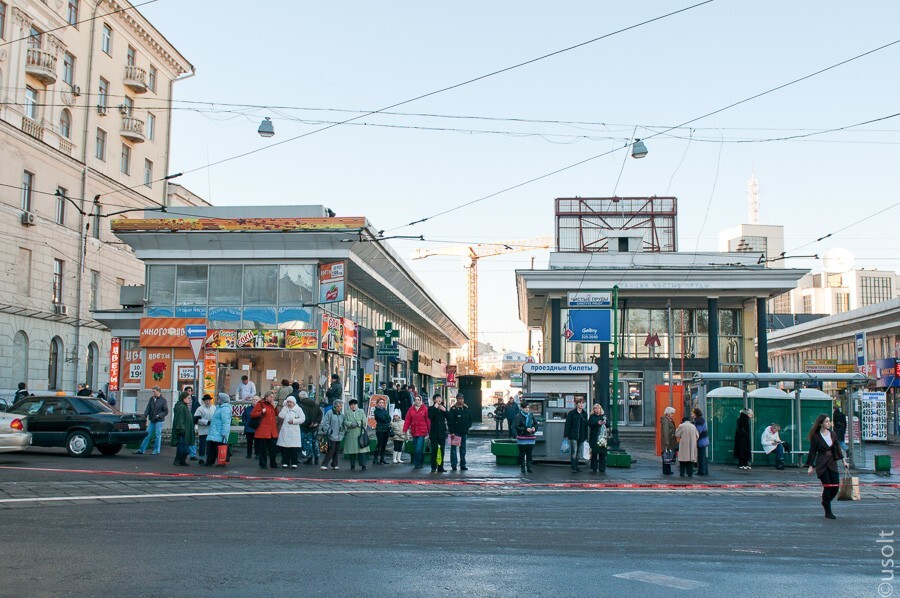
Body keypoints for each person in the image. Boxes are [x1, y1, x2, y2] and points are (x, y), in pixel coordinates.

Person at [805, 413, 848, 519]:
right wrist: (811, 465)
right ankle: (828, 511)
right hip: (822, 463)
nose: (829, 423)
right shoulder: (816, 436)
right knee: (827, 486)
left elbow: (837, 448)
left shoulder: (832, 434)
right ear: (821, 423)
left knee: (835, 487)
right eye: (827, 421)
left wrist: (843, 461)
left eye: (829, 421)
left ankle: (825, 502)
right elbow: (813, 451)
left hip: (832, 463)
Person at [135, 386, 168, 455]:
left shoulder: (163, 400)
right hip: (153, 419)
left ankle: (156, 450)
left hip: (159, 420)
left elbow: (166, 411)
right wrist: (145, 415)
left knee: (157, 434)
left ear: (158, 391)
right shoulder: (151, 399)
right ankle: (141, 450)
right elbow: (148, 407)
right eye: (152, 391)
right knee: (147, 434)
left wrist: (159, 415)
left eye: (154, 391)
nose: (153, 393)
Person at [250, 392, 279, 469]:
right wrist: (261, 412)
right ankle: (263, 464)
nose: (272, 399)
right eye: (270, 397)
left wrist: (275, 407)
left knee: (273, 448)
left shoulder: (272, 405)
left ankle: (273, 463)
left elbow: (276, 414)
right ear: (266, 397)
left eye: (273, 397)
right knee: (263, 449)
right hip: (263, 430)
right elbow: (252, 414)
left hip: (272, 430)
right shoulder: (260, 404)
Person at [403, 395, 431, 469]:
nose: (417, 401)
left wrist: (429, 431)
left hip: (422, 431)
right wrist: (405, 429)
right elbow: (408, 419)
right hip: (414, 431)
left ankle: (417, 463)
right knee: (416, 448)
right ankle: (420, 461)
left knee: (419, 448)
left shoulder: (425, 409)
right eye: (416, 399)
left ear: (421, 400)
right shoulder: (411, 409)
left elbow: (428, 420)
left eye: (418, 399)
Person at [277, 397, 305, 469]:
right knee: (285, 447)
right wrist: (285, 408)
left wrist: (294, 421)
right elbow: (281, 416)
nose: (289, 403)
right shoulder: (285, 408)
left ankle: (294, 462)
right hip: (285, 430)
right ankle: (285, 462)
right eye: (288, 402)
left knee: (293, 448)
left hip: (294, 431)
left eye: (290, 402)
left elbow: (302, 419)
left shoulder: (298, 409)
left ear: (294, 403)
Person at [206, 393, 233, 467]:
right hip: (215, 431)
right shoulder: (219, 408)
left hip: (219, 432)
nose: (217, 400)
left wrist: (224, 433)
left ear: (222, 400)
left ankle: (221, 462)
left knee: (220, 448)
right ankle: (210, 461)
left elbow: (226, 422)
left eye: (218, 399)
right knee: (212, 447)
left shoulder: (225, 409)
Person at [342, 398, 369, 471]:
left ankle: (363, 465)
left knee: (362, 450)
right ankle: (352, 465)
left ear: (357, 405)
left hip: (360, 432)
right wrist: (351, 424)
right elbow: (345, 422)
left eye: (354, 404)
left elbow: (364, 421)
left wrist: (357, 423)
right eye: (351, 405)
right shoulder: (347, 412)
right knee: (352, 451)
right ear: (350, 406)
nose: (353, 406)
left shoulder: (361, 411)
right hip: (351, 433)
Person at [447, 394, 473, 471]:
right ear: (457, 399)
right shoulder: (453, 409)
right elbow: (450, 421)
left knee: (463, 450)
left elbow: (470, 419)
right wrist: (452, 431)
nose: (460, 400)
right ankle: (454, 465)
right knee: (454, 450)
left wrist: (467, 427)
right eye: (459, 399)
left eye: (462, 399)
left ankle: (463, 465)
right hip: (455, 432)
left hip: (463, 432)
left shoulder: (466, 408)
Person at [298, 390, 323, 465]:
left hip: (306, 427)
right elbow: (320, 414)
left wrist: (309, 423)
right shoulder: (315, 404)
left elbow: (303, 416)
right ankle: (317, 457)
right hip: (315, 426)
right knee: (315, 441)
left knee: (308, 442)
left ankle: (309, 458)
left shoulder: (300, 405)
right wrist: (316, 422)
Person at [564, 398, 589, 473]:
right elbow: (567, 424)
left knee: (578, 452)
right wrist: (566, 435)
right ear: (577, 404)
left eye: (583, 403)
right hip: (573, 435)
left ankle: (576, 466)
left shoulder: (584, 414)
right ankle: (573, 466)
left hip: (582, 435)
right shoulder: (571, 413)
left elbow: (585, 426)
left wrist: (586, 436)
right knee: (574, 451)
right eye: (580, 403)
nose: (581, 405)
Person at [170, 391, 195, 466]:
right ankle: (177, 460)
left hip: (186, 430)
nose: (189, 400)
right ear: (183, 398)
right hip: (183, 431)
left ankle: (182, 461)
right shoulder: (181, 407)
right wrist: (182, 430)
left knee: (185, 447)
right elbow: (180, 419)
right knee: (182, 448)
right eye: (188, 398)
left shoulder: (184, 406)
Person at [514, 402, 538, 474]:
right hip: (522, 437)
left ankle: (529, 467)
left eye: (528, 407)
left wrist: (534, 428)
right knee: (522, 453)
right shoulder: (518, 416)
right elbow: (517, 427)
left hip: (531, 437)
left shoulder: (531, 415)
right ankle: (522, 467)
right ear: (522, 408)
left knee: (529, 453)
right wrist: (525, 429)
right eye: (525, 408)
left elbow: (536, 424)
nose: (527, 409)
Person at [320, 400, 345, 470]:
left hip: (339, 435)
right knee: (331, 450)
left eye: (341, 406)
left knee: (336, 450)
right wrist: (328, 431)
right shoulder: (329, 413)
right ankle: (324, 464)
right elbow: (325, 423)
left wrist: (343, 431)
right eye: (339, 406)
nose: (341, 408)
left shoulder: (341, 415)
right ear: (335, 406)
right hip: (331, 435)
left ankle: (335, 464)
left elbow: (343, 424)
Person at [428, 394, 448, 473]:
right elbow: (430, 416)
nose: (439, 400)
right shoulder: (431, 408)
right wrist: (435, 408)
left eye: (440, 398)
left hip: (442, 432)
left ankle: (440, 467)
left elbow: (449, 417)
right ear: (434, 400)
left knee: (442, 450)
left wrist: (445, 411)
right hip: (434, 433)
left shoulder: (443, 407)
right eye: (437, 398)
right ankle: (433, 467)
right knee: (434, 450)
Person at [195, 394, 216, 463]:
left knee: (210, 446)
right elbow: (196, 420)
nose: (208, 402)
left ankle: (208, 458)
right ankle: (201, 458)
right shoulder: (200, 409)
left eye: (209, 400)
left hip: (211, 430)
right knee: (202, 445)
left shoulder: (214, 408)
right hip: (203, 430)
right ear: (204, 401)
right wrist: (206, 422)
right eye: (206, 401)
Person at [587, 403, 608, 473]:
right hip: (594, 437)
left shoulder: (603, 416)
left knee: (602, 453)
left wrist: (605, 422)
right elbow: (590, 424)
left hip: (602, 438)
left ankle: (602, 468)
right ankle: (594, 467)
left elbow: (608, 425)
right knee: (594, 453)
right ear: (593, 410)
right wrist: (597, 423)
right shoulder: (592, 416)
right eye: (595, 408)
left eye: (598, 408)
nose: (597, 410)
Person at [372, 398, 392, 465]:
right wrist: (386, 419)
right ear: (377, 403)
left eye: (382, 402)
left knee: (384, 444)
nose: (381, 404)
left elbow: (389, 418)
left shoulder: (385, 410)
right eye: (380, 402)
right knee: (379, 443)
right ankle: (375, 458)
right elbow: (382, 418)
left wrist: (386, 419)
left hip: (386, 429)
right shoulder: (376, 411)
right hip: (380, 429)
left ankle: (382, 459)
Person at [692, 408, 709, 476]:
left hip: (701, 441)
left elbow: (698, 432)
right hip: (704, 440)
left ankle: (701, 471)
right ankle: (705, 470)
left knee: (701, 456)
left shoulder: (699, 421)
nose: (692, 415)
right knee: (703, 456)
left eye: (693, 414)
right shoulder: (701, 420)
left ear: (696, 414)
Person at [660, 406, 677, 475]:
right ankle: (667, 470)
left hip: (669, 441)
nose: (673, 415)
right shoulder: (666, 421)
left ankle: (667, 470)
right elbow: (666, 432)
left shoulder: (667, 420)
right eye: (671, 413)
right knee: (667, 456)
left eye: (673, 413)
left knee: (667, 457)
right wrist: (667, 442)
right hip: (668, 442)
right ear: (667, 414)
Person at [183, 385, 198, 461]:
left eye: (190, 391)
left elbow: (198, 409)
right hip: (184, 421)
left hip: (191, 420)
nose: (188, 392)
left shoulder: (195, 400)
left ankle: (193, 454)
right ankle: (184, 453)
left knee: (192, 437)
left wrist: (196, 418)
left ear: (192, 392)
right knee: (184, 438)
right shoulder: (182, 401)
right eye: (187, 391)